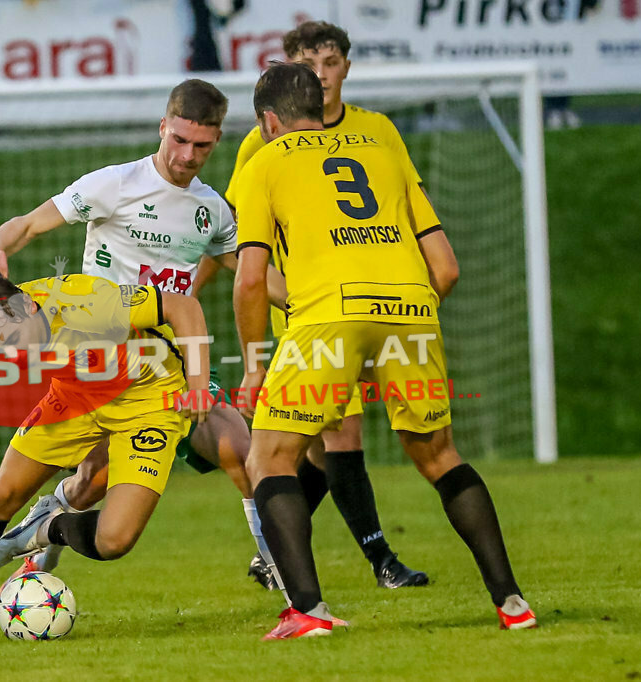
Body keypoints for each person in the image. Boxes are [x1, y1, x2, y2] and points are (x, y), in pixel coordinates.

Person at [233, 62, 536, 639]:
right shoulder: (383, 151)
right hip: (411, 307)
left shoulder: (263, 163)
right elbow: (444, 264)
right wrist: (395, 328)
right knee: (440, 456)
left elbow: (250, 280)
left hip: (328, 315)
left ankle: (307, 611)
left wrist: (254, 366)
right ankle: (512, 602)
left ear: (269, 122)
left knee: (269, 458)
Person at [0, 79, 289, 589]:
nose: (187, 156)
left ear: (216, 141)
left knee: (239, 447)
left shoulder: (212, 211)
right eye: (179, 140)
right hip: (101, 365)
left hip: (168, 369)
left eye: (201, 146)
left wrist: (306, 303)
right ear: (163, 127)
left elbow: (253, 274)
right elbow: (28, 225)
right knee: (92, 482)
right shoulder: (115, 184)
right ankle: (45, 530)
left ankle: (281, 573)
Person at [0, 269, 211, 647]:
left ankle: (46, 527)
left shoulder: (87, 301)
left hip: (147, 400)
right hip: (73, 399)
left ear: (28, 305)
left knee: (115, 540)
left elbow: (184, 307)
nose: (12, 353)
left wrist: (198, 386)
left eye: (13, 341)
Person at [208, 20, 428, 591]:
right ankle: (381, 560)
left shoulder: (376, 131)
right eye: (309, 65)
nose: (322, 75)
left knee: (313, 449)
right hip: (308, 316)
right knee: (339, 437)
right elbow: (234, 238)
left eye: (330, 63)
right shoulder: (261, 144)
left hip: (374, 306)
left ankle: (273, 555)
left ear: (346, 67)